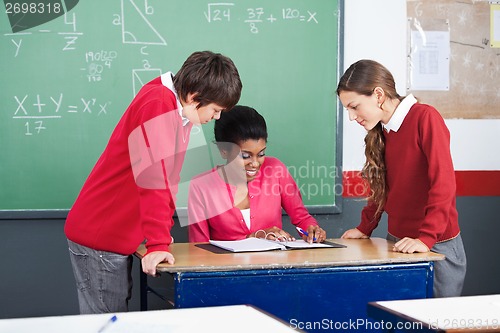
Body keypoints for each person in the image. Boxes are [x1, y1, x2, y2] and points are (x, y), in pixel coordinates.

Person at [64, 50, 242, 314]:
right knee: (104, 325)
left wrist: (160, 235)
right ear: (194, 98)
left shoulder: (180, 112)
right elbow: (154, 180)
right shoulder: (158, 104)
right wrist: (158, 243)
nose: (216, 117)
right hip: (100, 235)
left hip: (116, 236)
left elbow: (169, 181)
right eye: (215, 110)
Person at [337, 59, 466, 297]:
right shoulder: (383, 129)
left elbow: (443, 184)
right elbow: (382, 186)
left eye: (354, 107)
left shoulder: (425, 118)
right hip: (399, 243)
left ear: (378, 95)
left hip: (436, 246)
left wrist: (425, 239)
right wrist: (365, 227)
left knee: (434, 323)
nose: (352, 117)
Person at [187, 105, 326, 243]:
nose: (255, 163)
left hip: (274, 263)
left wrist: (312, 230)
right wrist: (253, 238)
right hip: (226, 265)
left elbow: (301, 218)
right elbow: (199, 246)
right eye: (245, 156)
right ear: (224, 150)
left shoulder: (275, 170)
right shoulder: (201, 186)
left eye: (261, 154)